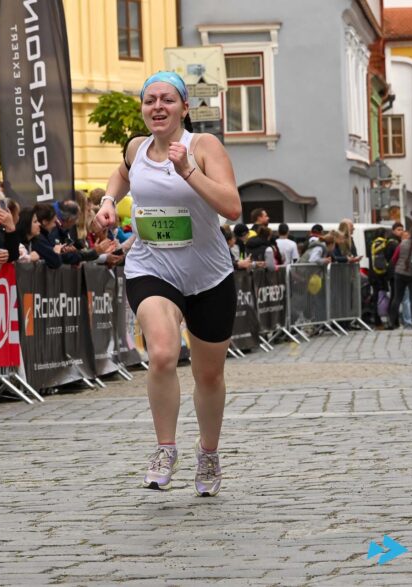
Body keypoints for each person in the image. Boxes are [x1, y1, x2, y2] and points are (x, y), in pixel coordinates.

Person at [94, 71, 241, 496]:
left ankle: (208, 452)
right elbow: (122, 174)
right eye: (150, 100)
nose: (158, 107)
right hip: (151, 267)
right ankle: (165, 448)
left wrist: (188, 170)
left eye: (168, 100)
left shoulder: (204, 146)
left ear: (184, 108)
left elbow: (232, 207)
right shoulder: (136, 148)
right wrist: (108, 201)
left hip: (209, 275)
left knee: (208, 375)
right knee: (161, 353)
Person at [389, 225, 412, 329]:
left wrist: (396, 269)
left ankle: (392, 322)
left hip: (400, 273)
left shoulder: (402, 243)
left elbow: (394, 258)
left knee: (397, 298)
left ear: (410, 232)